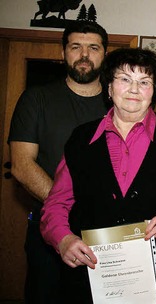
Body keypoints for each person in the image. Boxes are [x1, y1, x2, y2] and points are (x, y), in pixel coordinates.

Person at [40, 48, 156, 303]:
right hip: (91, 272)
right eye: (125, 79)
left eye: (144, 82)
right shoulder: (81, 139)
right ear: (109, 87)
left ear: (154, 91)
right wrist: (63, 239)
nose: (134, 89)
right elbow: (57, 202)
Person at [8, 21, 109, 304]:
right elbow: (22, 165)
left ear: (104, 54)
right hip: (50, 229)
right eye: (76, 47)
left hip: (106, 231)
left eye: (93, 47)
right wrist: (69, 209)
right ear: (64, 52)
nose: (85, 55)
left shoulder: (120, 103)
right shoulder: (36, 99)